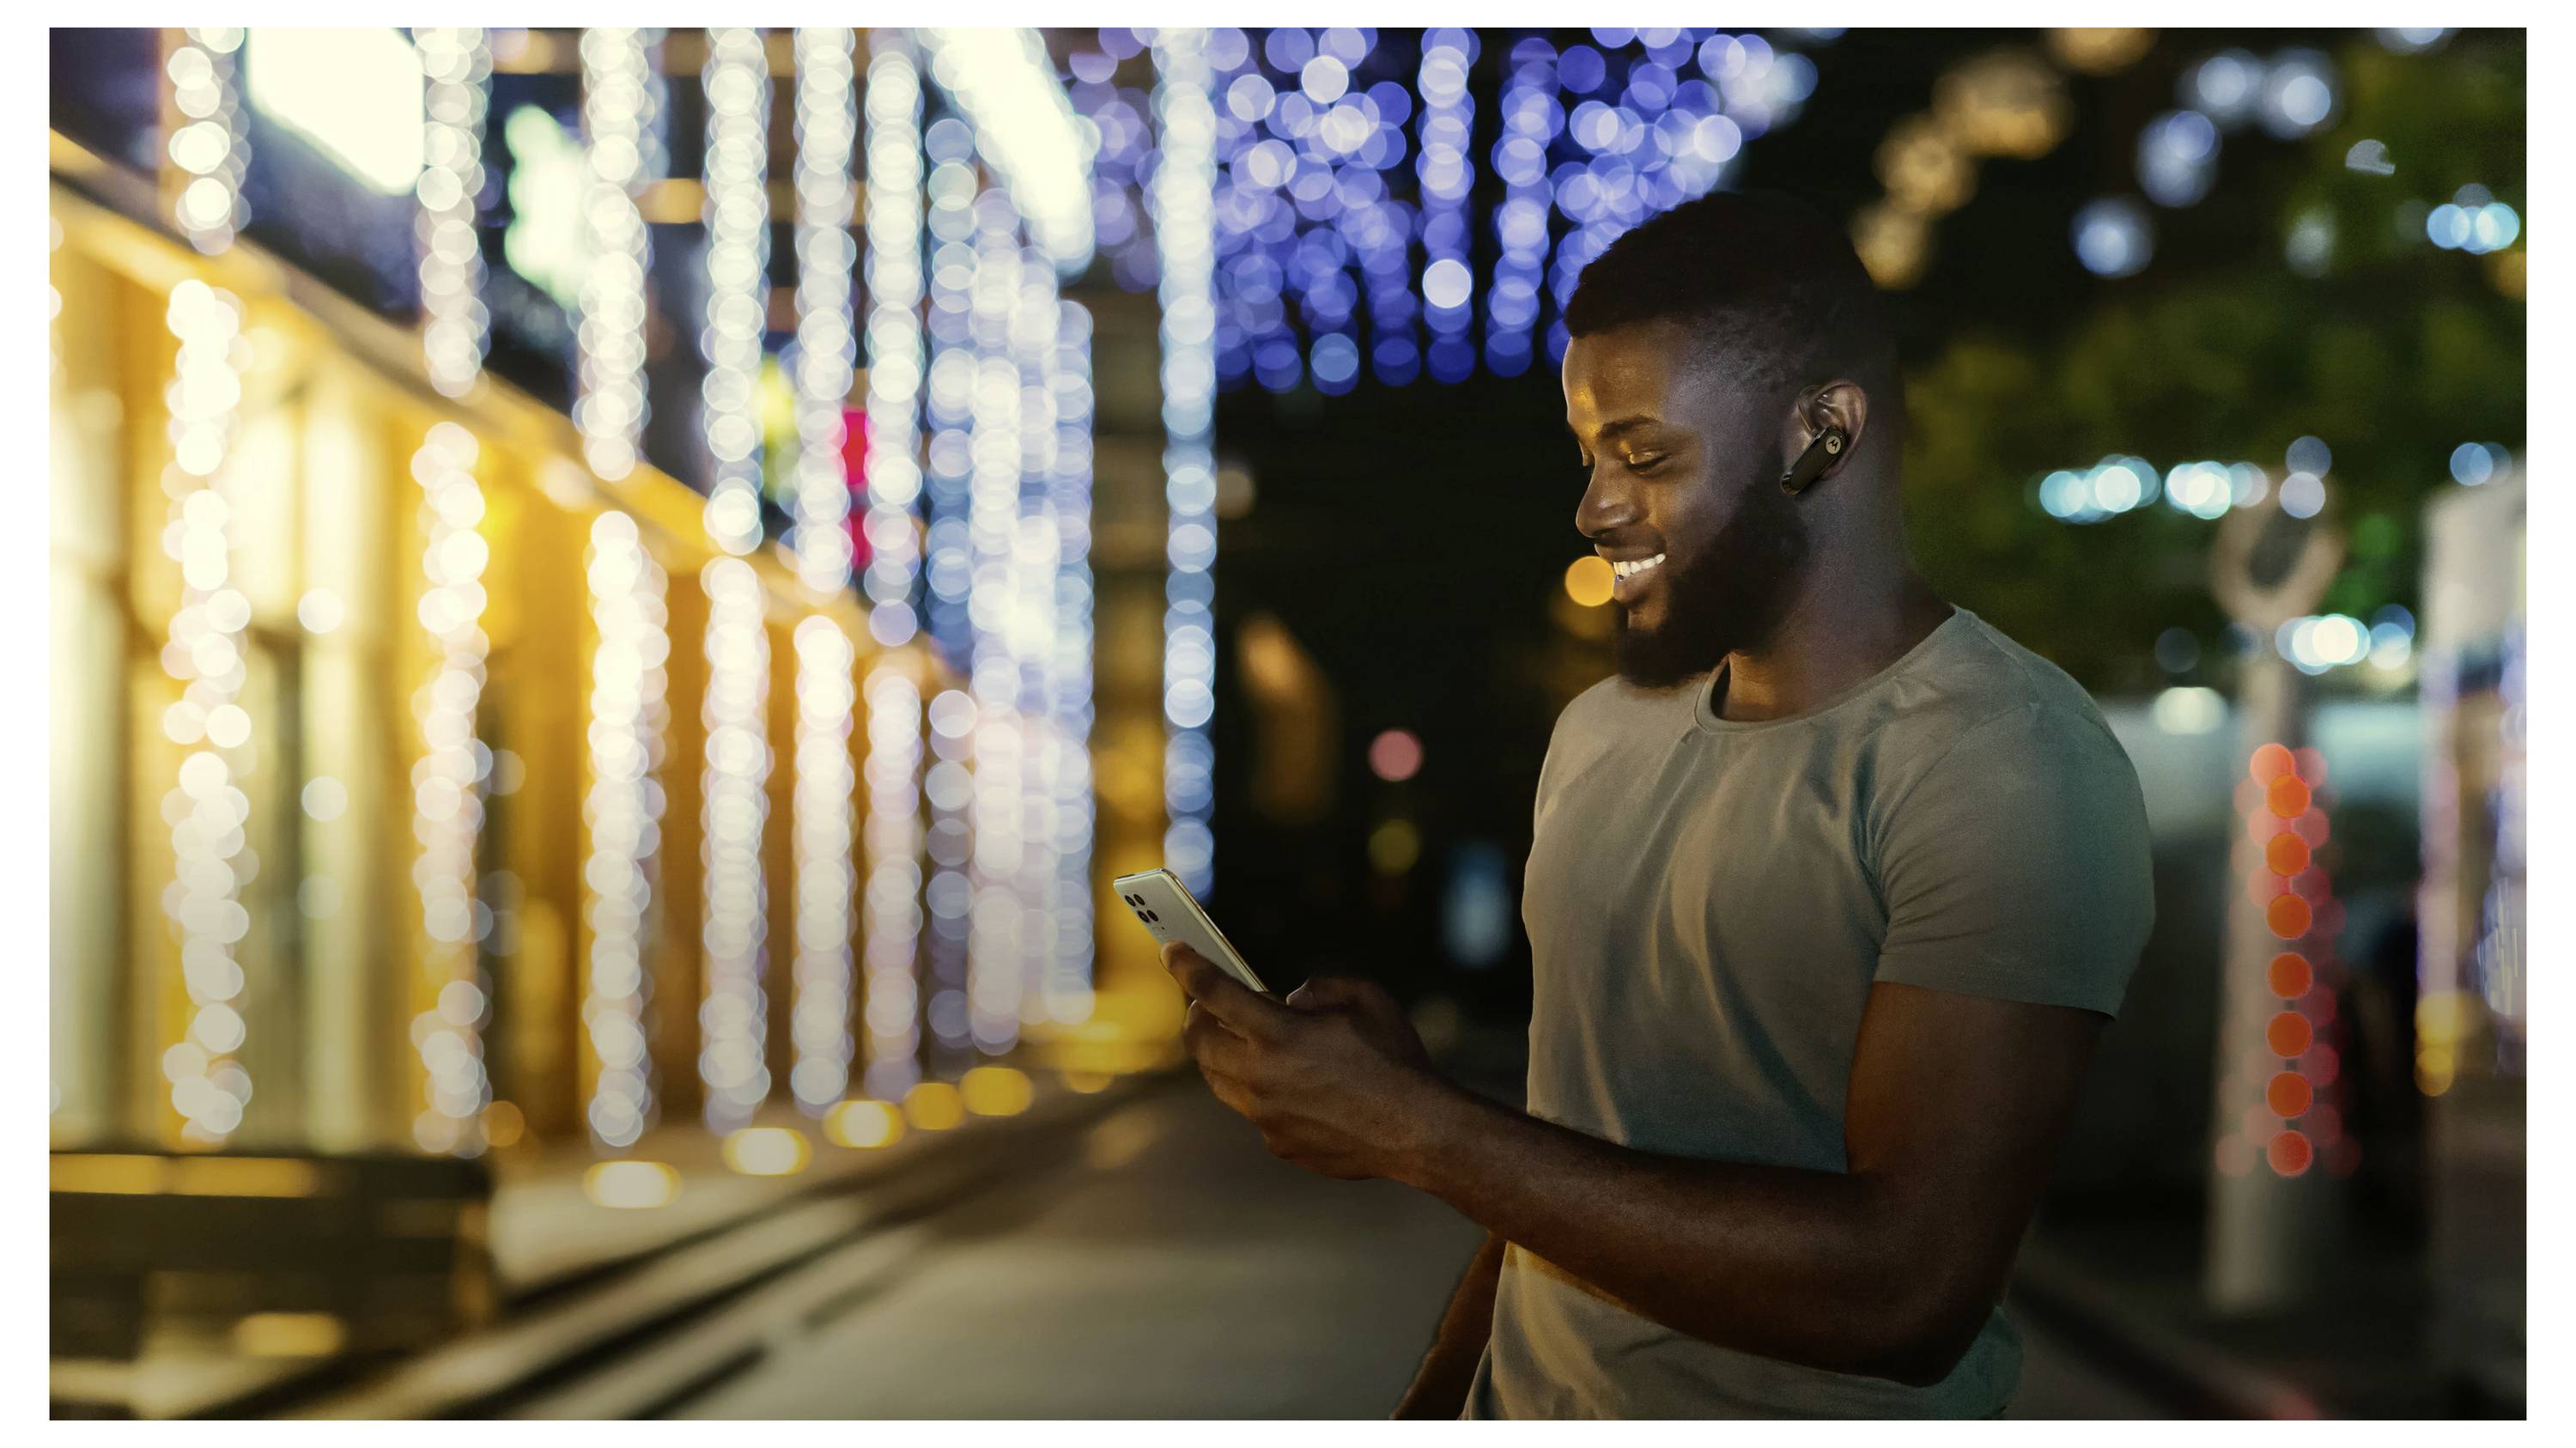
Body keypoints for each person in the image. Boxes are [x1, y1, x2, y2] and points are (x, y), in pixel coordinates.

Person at [1160, 188, 2156, 1419]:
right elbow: (1575, 1163)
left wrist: (1420, 1131)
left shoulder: (2005, 761)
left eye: (1645, 454)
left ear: (1822, 435)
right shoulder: (1598, 735)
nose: (1593, 507)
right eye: (1588, 457)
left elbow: (1907, 1288)